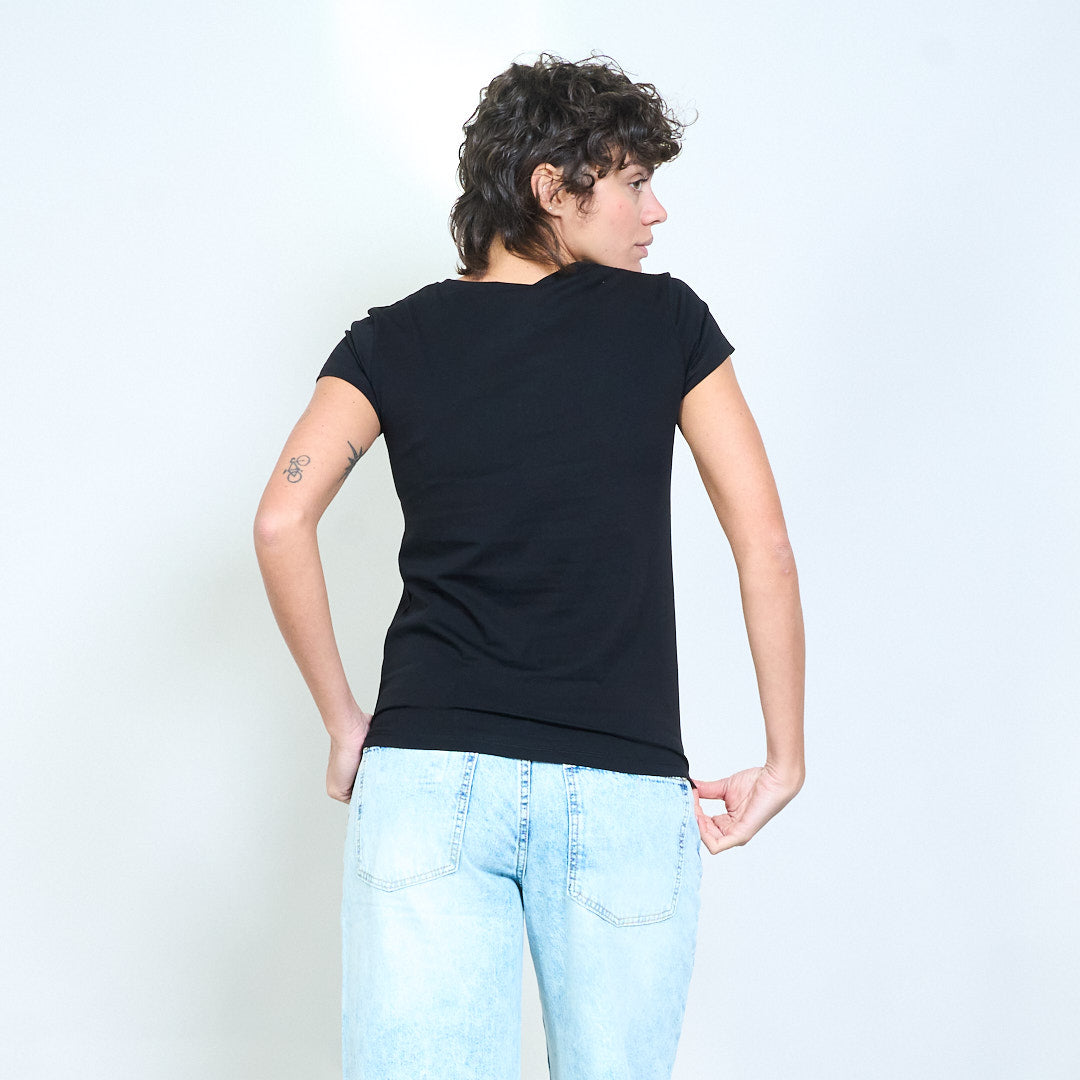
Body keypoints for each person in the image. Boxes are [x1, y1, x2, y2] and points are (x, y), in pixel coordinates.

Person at [254, 51, 804, 1080]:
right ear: (554, 188)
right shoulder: (670, 324)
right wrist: (784, 757)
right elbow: (763, 543)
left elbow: (283, 520)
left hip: (426, 776)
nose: (656, 211)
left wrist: (343, 723)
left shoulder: (390, 341)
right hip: (622, 782)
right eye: (634, 181)